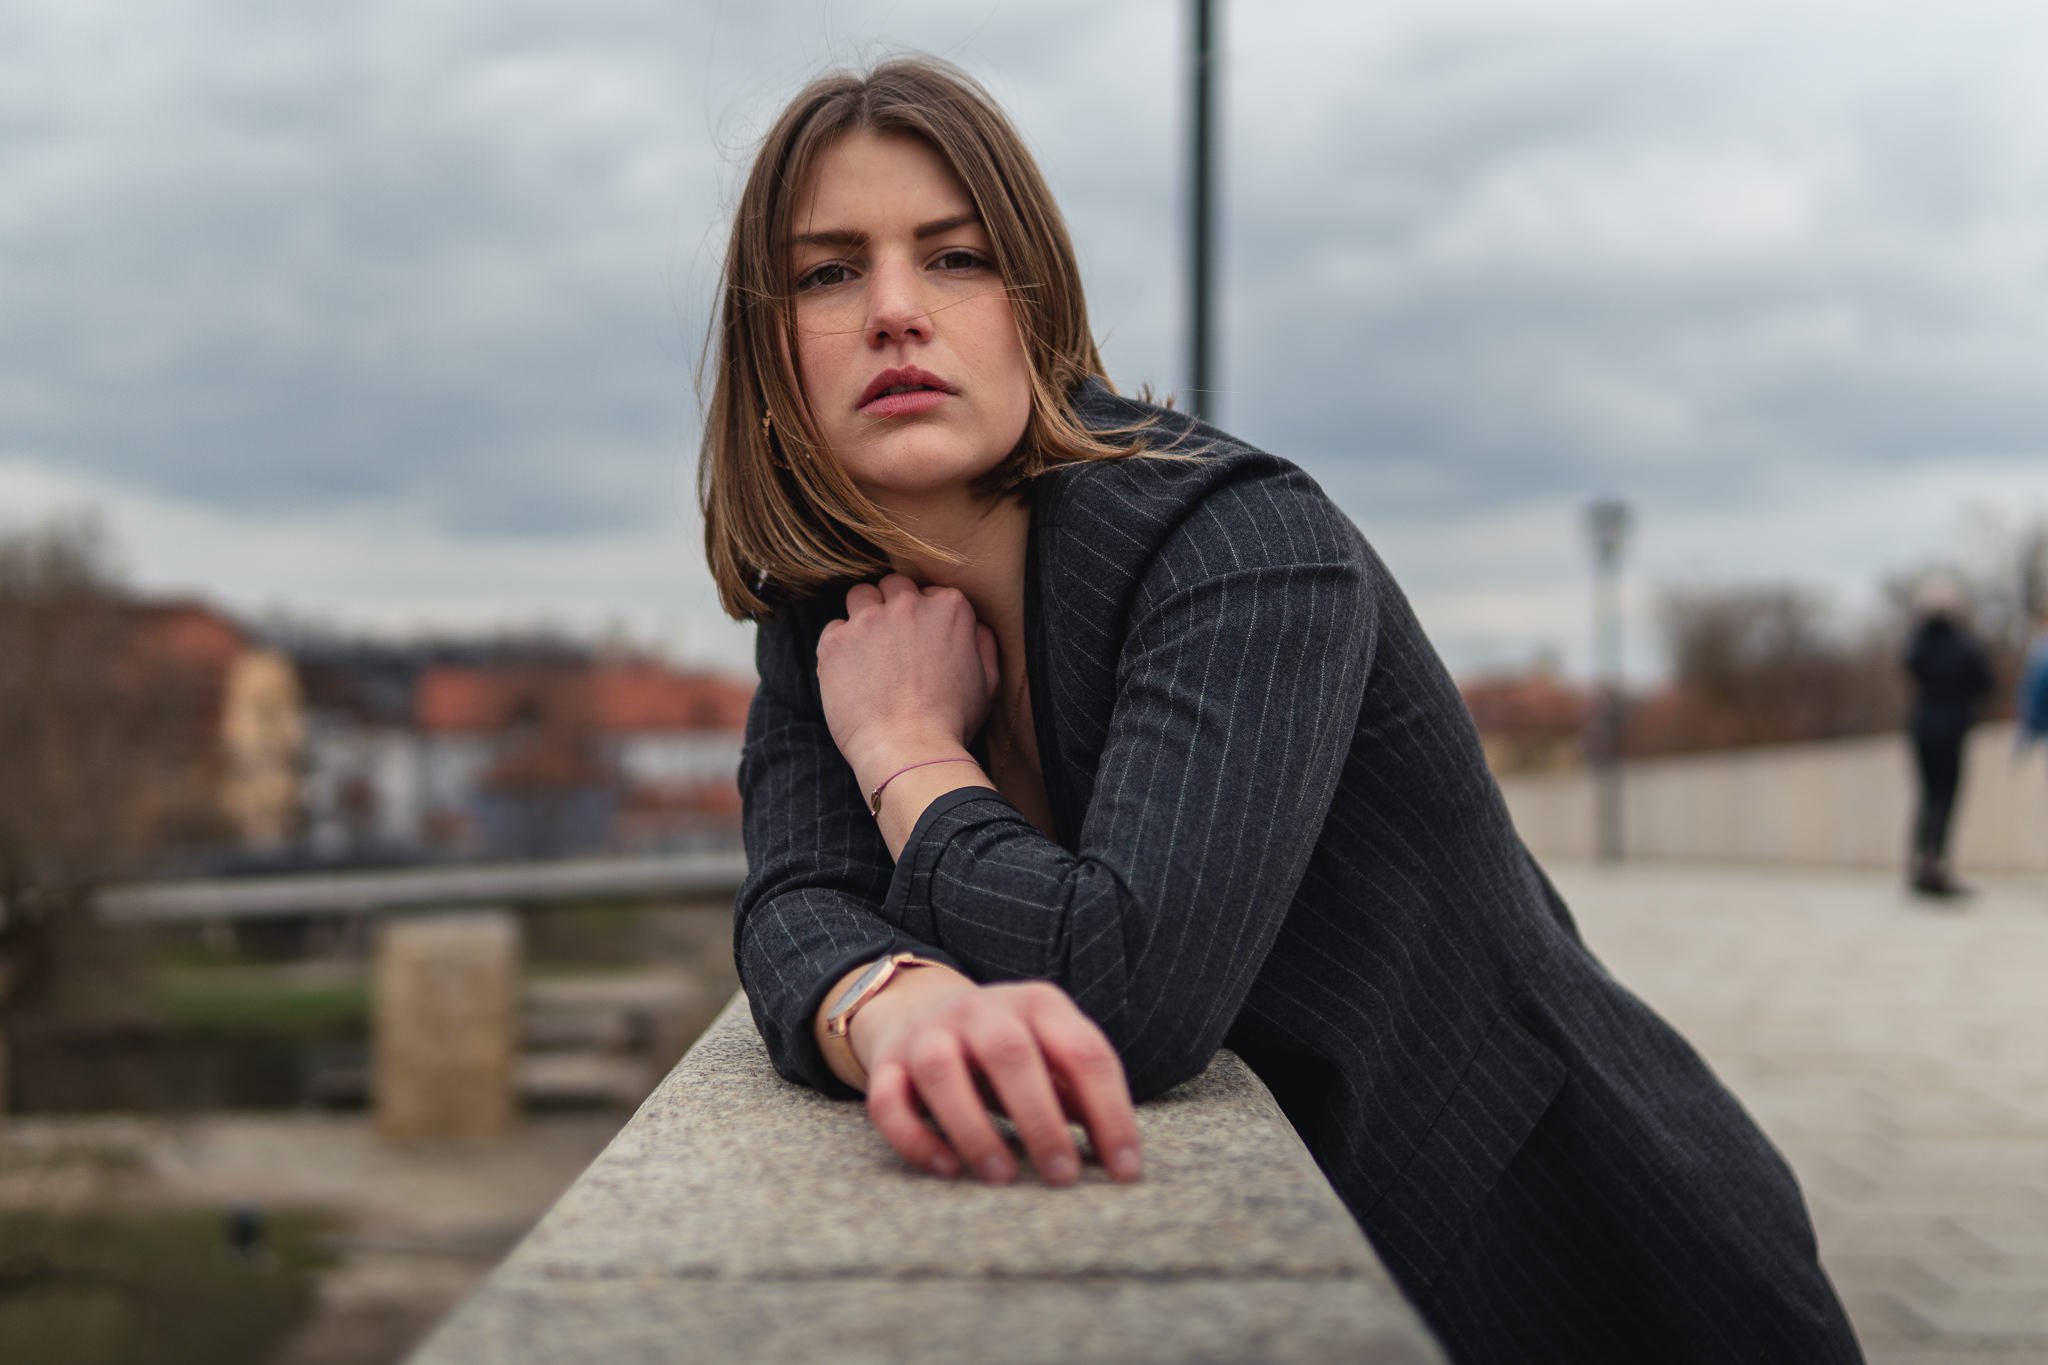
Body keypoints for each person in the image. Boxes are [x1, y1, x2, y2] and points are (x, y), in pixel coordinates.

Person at [699, 56, 1863, 1364]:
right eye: (828, 272)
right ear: (769, 345)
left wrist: (906, 750)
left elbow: (1128, 988)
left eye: (956, 258)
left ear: (1036, 304)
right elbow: (793, 900)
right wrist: (897, 1005)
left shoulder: (1240, 543)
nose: (897, 311)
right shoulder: (831, 620)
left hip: (1587, 1258)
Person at [1902, 581, 1994, 898]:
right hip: (1952, 727)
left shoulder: (1918, 645)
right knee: (1945, 796)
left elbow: (1908, 666)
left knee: (1927, 796)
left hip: (1922, 727)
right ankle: (1935, 866)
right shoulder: (1964, 645)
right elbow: (1986, 682)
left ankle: (1920, 864)